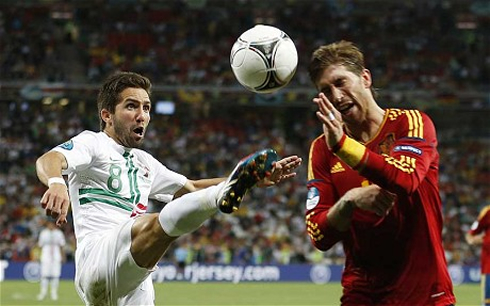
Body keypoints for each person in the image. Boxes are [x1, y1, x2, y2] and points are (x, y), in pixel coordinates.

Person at [35, 71, 302, 305]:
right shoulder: (93, 144)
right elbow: (49, 160)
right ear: (107, 115)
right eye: (131, 106)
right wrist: (58, 182)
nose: (142, 116)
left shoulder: (145, 163)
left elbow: (191, 187)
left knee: (154, 223)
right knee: (153, 223)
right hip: (98, 258)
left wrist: (252, 179)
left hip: (136, 278)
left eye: (147, 108)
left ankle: (227, 190)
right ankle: (220, 196)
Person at [304, 40, 455, 305]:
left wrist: (342, 146)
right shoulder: (321, 149)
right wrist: (349, 201)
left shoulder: (411, 122)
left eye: (340, 82)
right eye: (325, 91)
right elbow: (319, 235)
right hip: (363, 295)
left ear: (365, 77)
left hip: (424, 294)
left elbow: (405, 179)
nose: (336, 96)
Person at [466, 205, 490, 306]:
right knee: (487, 302)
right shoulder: (488, 212)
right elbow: (472, 233)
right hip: (489, 266)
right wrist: (473, 239)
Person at [36, 219, 66, 301]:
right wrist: (38, 256)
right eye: (49, 224)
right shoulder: (43, 233)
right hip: (46, 255)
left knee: (55, 275)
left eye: (52, 224)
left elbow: (62, 245)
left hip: (56, 255)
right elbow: (40, 245)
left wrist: (63, 256)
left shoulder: (59, 233)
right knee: (44, 275)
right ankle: (43, 293)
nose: (51, 226)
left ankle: (54, 293)